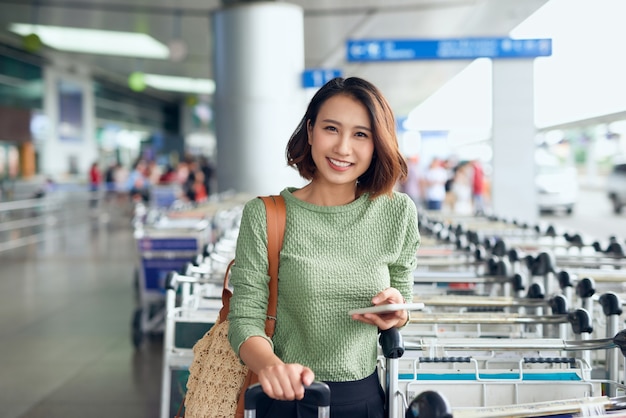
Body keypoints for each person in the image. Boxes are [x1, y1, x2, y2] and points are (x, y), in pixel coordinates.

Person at [228, 77, 420, 418]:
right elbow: (244, 320)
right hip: (287, 397)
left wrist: (395, 313)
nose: (343, 148)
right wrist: (272, 367)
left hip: (364, 400)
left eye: (361, 134)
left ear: (378, 143)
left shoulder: (398, 212)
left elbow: (400, 304)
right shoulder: (265, 214)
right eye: (332, 128)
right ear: (311, 130)